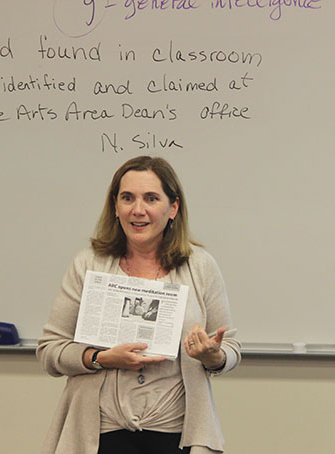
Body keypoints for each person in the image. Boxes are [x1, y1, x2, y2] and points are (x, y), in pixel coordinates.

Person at [36, 156, 240, 454]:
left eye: (151, 198)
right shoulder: (88, 264)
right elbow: (49, 351)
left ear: (173, 208)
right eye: (127, 198)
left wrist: (212, 355)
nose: (138, 210)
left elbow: (231, 350)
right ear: (115, 207)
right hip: (99, 433)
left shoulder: (200, 266)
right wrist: (101, 358)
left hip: (177, 433)